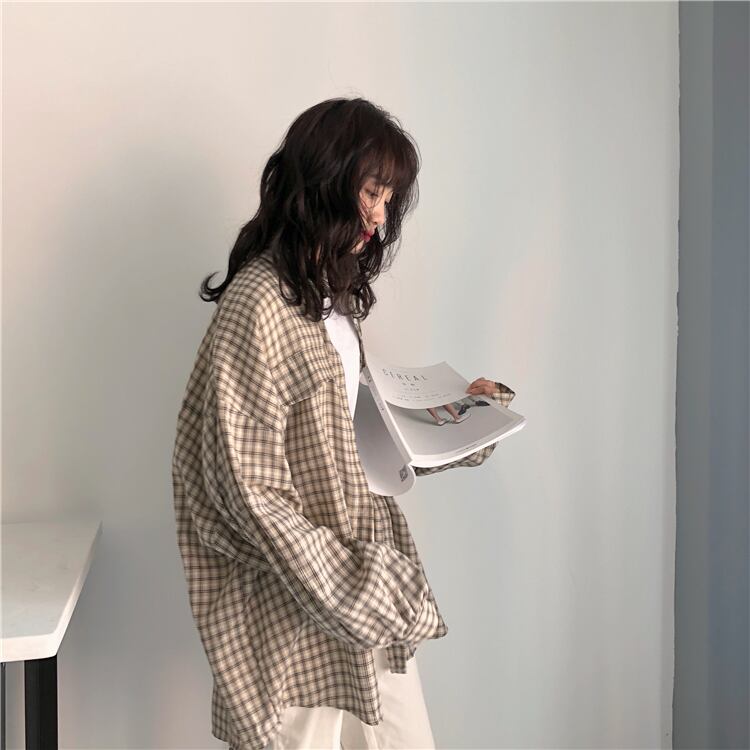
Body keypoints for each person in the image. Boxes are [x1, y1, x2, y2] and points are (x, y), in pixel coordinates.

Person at [171, 97, 516, 750]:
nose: (380, 215)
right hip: (295, 618)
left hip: (358, 605)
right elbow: (252, 494)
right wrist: (363, 586)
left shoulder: (324, 299)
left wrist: (465, 422)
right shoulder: (258, 304)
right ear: (325, 181)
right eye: (372, 192)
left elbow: (345, 439)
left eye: (389, 198)